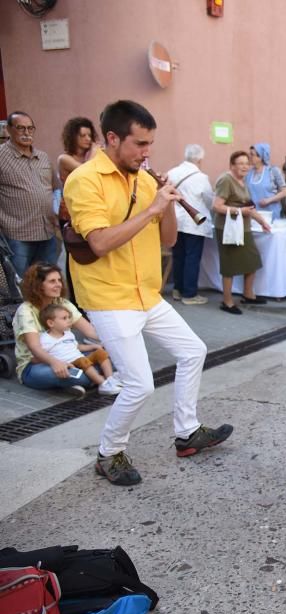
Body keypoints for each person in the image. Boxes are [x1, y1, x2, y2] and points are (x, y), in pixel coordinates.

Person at [63, 99, 234, 486]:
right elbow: (102, 242)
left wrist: (167, 205)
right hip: (109, 296)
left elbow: (169, 239)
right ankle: (108, 454)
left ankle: (187, 433)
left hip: (147, 292)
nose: (147, 153)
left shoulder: (144, 178)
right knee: (139, 383)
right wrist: (151, 207)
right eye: (140, 144)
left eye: (150, 144)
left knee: (194, 350)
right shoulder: (85, 180)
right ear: (112, 138)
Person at [12, 263, 112, 396]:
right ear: (38, 285)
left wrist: (115, 341)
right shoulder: (26, 310)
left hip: (70, 356)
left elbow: (89, 331)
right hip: (36, 365)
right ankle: (85, 380)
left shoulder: (62, 303)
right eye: (52, 281)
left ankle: (79, 382)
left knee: (109, 356)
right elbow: (34, 347)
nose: (58, 284)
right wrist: (55, 362)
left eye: (59, 280)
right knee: (81, 375)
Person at [211, 150, 272, 314]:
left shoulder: (243, 182)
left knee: (252, 261)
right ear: (232, 165)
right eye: (241, 163)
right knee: (229, 266)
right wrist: (239, 212)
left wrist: (262, 222)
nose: (245, 166)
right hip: (227, 229)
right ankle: (227, 302)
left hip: (243, 228)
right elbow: (217, 206)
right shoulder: (226, 180)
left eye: (247, 163)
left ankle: (248, 294)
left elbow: (248, 208)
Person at [0, 111, 60, 277]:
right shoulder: (1, 156)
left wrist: (56, 212)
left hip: (47, 233)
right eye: (21, 128)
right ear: (9, 129)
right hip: (17, 236)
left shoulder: (43, 157)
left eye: (30, 128)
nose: (26, 133)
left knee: (46, 284)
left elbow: (55, 188)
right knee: (21, 288)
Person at [165, 144, 215, 305]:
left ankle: (177, 289)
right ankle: (190, 294)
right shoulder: (201, 177)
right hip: (194, 222)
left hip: (176, 221)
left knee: (178, 255)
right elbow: (209, 199)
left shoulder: (172, 172)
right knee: (192, 257)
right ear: (200, 159)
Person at [56, 116, 99, 304]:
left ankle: (90, 299)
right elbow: (88, 173)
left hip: (89, 213)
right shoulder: (65, 158)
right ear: (73, 137)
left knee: (91, 258)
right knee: (74, 259)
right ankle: (75, 302)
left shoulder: (91, 158)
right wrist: (96, 153)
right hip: (69, 215)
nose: (87, 139)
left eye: (90, 135)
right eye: (82, 135)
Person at [38, 303, 119, 395]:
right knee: (82, 360)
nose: (69, 321)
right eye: (64, 318)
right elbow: (42, 355)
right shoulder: (46, 339)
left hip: (80, 359)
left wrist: (93, 346)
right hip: (69, 364)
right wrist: (58, 363)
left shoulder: (68, 333)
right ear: (51, 323)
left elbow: (77, 347)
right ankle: (103, 383)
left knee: (101, 353)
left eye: (69, 317)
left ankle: (110, 379)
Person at [246, 143, 286, 220]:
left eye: (252, 154)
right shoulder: (248, 173)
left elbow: (285, 192)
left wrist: (268, 200)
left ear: (260, 157)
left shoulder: (273, 171)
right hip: (254, 215)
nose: (249, 156)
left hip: (271, 214)